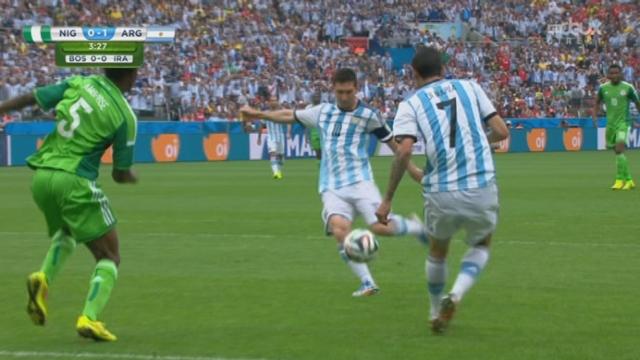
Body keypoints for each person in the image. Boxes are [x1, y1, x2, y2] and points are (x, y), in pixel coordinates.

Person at [241, 68, 426, 297]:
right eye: (340, 92)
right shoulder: (322, 112)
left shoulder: (369, 115)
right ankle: (368, 282)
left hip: (361, 182)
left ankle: (415, 227)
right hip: (332, 186)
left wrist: (412, 169)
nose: (344, 96)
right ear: (333, 90)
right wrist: (259, 115)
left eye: (349, 92)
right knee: (340, 230)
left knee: (380, 227)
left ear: (356, 89)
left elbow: (394, 145)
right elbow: (289, 115)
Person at [375, 47, 509, 333]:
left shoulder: (410, 104)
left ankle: (436, 311)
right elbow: (501, 130)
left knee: (437, 251)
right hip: (480, 184)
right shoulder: (470, 87)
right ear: (443, 69)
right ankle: (457, 293)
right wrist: (479, 144)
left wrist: (387, 199)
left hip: (440, 191)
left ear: (413, 73)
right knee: (481, 244)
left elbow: (404, 152)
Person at [0, 68, 139, 341]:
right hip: (74, 181)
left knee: (68, 232)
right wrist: (133, 178)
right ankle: (89, 317)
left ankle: (42, 279)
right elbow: (120, 175)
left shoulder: (80, 82)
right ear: (132, 75)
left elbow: (32, 97)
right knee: (109, 256)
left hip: (42, 177)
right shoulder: (125, 116)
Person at [592, 64, 640, 190]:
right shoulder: (603, 88)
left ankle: (620, 180)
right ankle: (628, 180)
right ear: (608, 75)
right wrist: (595, 117)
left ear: (621, 74)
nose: (614, 75)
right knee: (617, 153)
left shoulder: (628, 87)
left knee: (619, 148)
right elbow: (597, 102)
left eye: (616, 73)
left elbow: (637, 102)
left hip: (623, 123)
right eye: (612, 73)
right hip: (610, 125)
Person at [257, 100, 290, 180]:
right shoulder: (265, 113)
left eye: (275, 101)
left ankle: (278, 171)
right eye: (271, 101)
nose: (273, 103)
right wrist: (259, 137)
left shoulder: (281, 112)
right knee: (273, 154)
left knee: (281, 157)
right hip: (271, 137)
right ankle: (275, 173)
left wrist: (288, 132)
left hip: (280, 136)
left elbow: (289, 121)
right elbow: (261, 125)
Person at [305, 92, 323, 160]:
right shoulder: (308, 108)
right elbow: (306, 122)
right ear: (311, 98)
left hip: (322, 131)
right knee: (318, 153)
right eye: (315, 97)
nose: (316, 98)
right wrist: (306, 136)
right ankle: (320, 169)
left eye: (318, 97)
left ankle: (325, 168)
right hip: (313, 132)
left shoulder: (324, 107)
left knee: (324, 152)